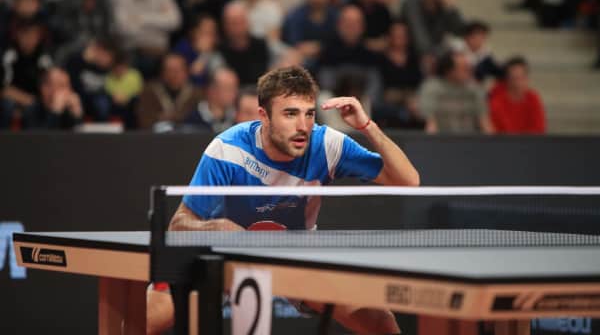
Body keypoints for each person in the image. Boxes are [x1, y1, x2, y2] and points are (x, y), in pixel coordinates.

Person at [147, 65, 419, 334]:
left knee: (380, 322)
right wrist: (214, 228)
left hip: (297, 257)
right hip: (223, 258)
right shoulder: (228, 149)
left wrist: (367, 126)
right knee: (145, 320)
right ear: (264, 116)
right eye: (290, 114)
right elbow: (179, 225)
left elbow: (408, 181)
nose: (303, 127)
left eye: (309, 114)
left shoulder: (327, 146)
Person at [418, 50, 493, 134]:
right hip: (442, 139)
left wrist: (492, 141)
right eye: (464, 68)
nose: (469, 71)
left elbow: (485, 122)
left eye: (469, 67)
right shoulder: (432, 87)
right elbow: (430, 123)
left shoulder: (475, 89)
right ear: (448, 70)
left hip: (469, 139)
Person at [489, 57, 546, 134]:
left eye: (521, 78)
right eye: (514, 78)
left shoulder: (533, 98)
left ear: (527, 79)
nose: (518, 83)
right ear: (507, 79)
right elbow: (494, 132)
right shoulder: (497, 100)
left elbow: (539, 129)